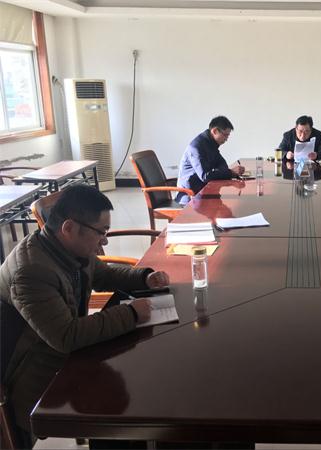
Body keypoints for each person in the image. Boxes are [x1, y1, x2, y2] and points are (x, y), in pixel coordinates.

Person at [0, 185, 170, 448]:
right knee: (117, 403)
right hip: (26, 377)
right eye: (101, 232)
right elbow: (66, 336)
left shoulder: (66, 248)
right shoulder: (31, 271)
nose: (105, 241)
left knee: (133, 385)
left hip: (55, 352)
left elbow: (104, 274)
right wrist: (130, 313)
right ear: (69, 228)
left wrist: (144, 277)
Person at [176, 116, 245, 204]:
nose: (226, 139)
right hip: (191, 195)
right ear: (215, 131)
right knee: (229, 205)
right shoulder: (196, 147)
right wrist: (230, 173)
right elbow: (205, 176)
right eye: (225, 135)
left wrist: (227, 172)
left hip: (204, 190)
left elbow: (222, 164)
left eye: (228, 136)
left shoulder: (211, 143)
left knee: (229, 204)